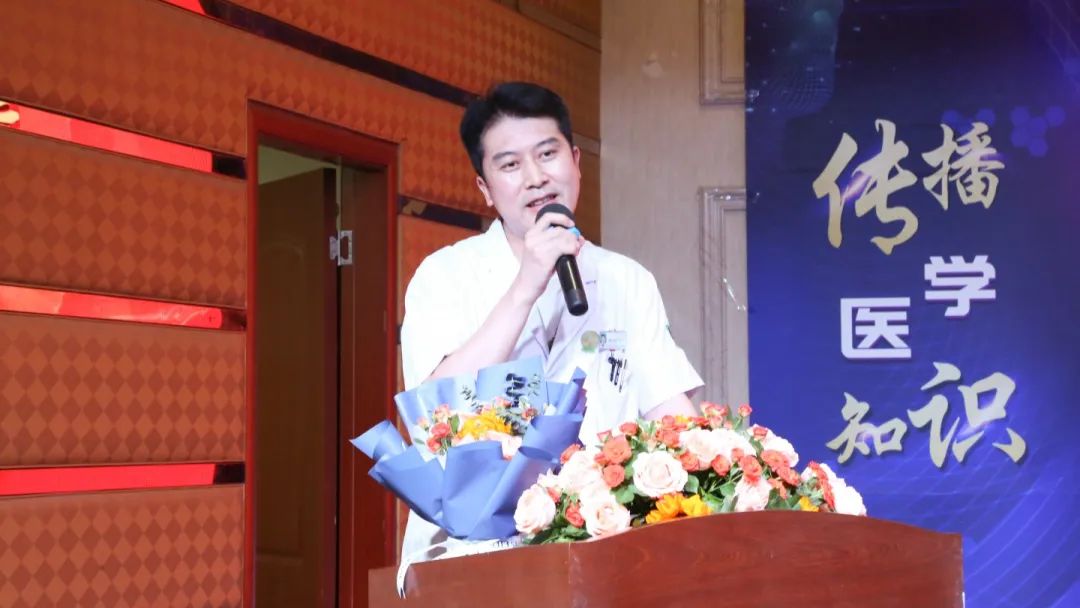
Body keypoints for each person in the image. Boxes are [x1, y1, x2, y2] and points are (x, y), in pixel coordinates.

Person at [399, 81, 702, 561]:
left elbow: (670, 409)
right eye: (510, 165)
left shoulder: (627, 278)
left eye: (547, 154)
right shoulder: (445, 275)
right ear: (485, 189)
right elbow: (435, 413)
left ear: (576, 163)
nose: (535, 177)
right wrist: (527, 284)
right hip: (471, 553)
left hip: (600, 545)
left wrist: (727, 469)